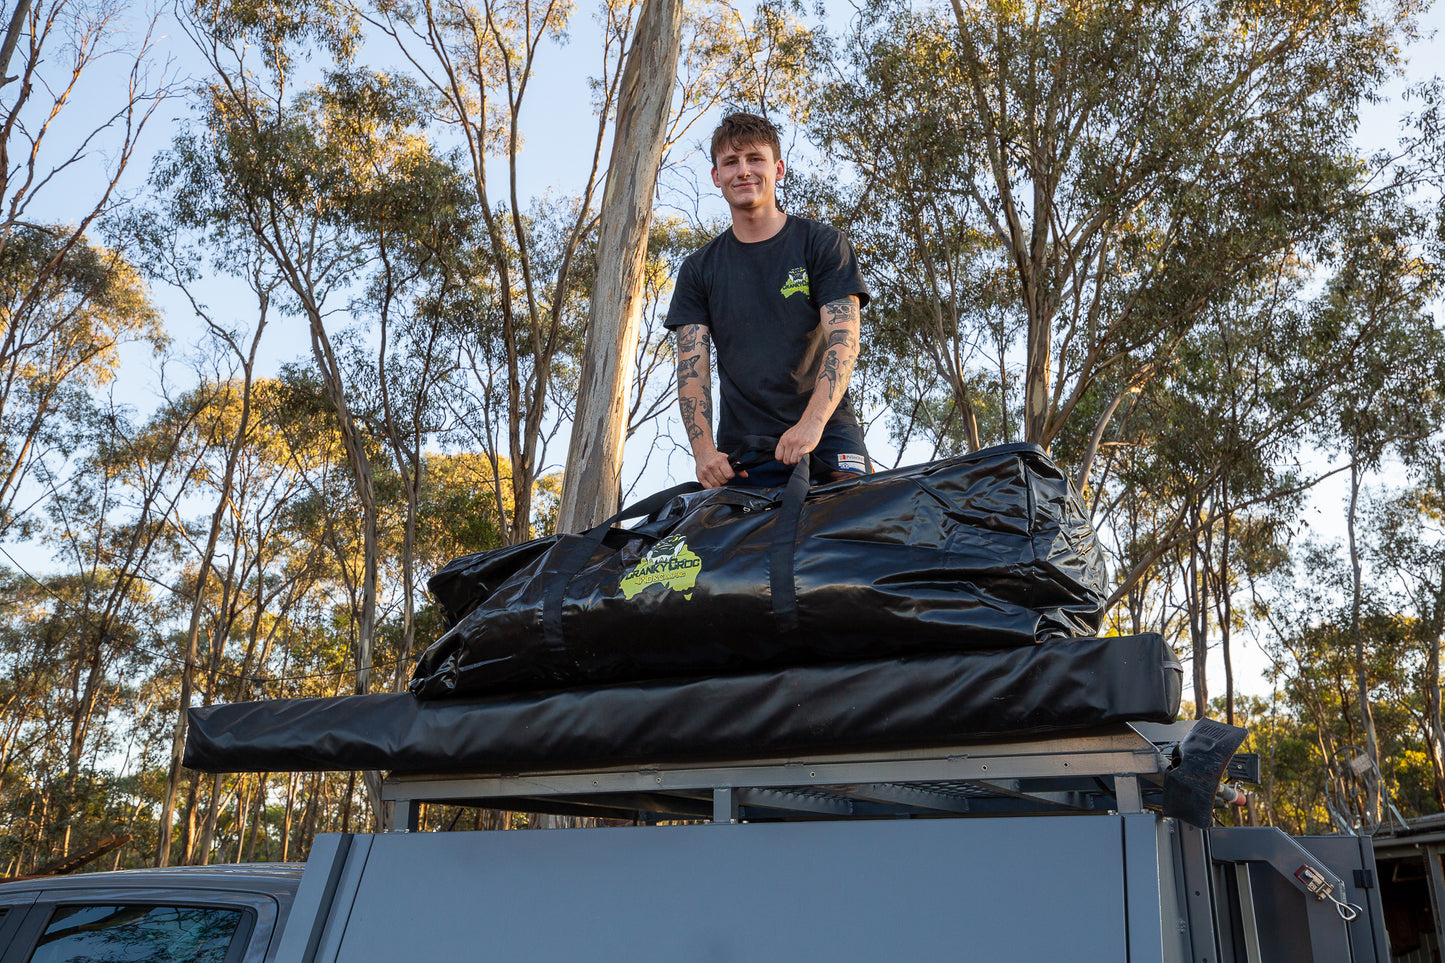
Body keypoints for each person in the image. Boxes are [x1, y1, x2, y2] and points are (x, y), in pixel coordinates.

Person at [665, 112, 872, 489]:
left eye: (755, 159)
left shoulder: (821, 243)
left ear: (777, 169)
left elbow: (845, 339)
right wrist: (705, 454)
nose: (743, 171)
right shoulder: (698, 269)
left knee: (858, 539)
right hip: (743, 456)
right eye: (731, 162)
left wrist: (810, 425)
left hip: (827, 436)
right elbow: (691, 373)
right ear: (717, 177)